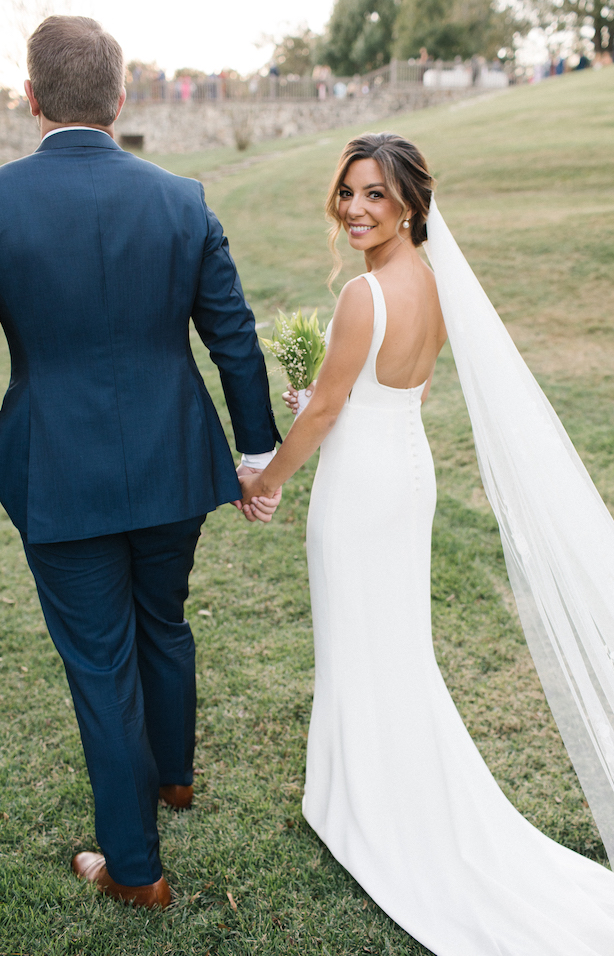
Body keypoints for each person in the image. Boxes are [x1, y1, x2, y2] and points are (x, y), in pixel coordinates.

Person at [239, 133, 614, 954]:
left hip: (360, 490)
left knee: (363, 643)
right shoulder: (430, 284)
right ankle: (364, 791)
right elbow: (394, 387)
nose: (356, 210)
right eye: (349, 193)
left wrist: (268, 479)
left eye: (375, 197)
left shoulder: (365, 298)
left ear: (408, 205)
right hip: (405, 475)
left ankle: (365, 805)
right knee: (390, 644)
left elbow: (325, 413)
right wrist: (329, 391)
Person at [0, 16, 281, 908]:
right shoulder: (182, 199)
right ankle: (175, 781)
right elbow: (233, 338)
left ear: (32, 99)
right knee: (162, 621)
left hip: (54, 470)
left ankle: (134, 869)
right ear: (121, 99)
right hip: (172, 463)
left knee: (101, 664)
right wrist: (255, 452)